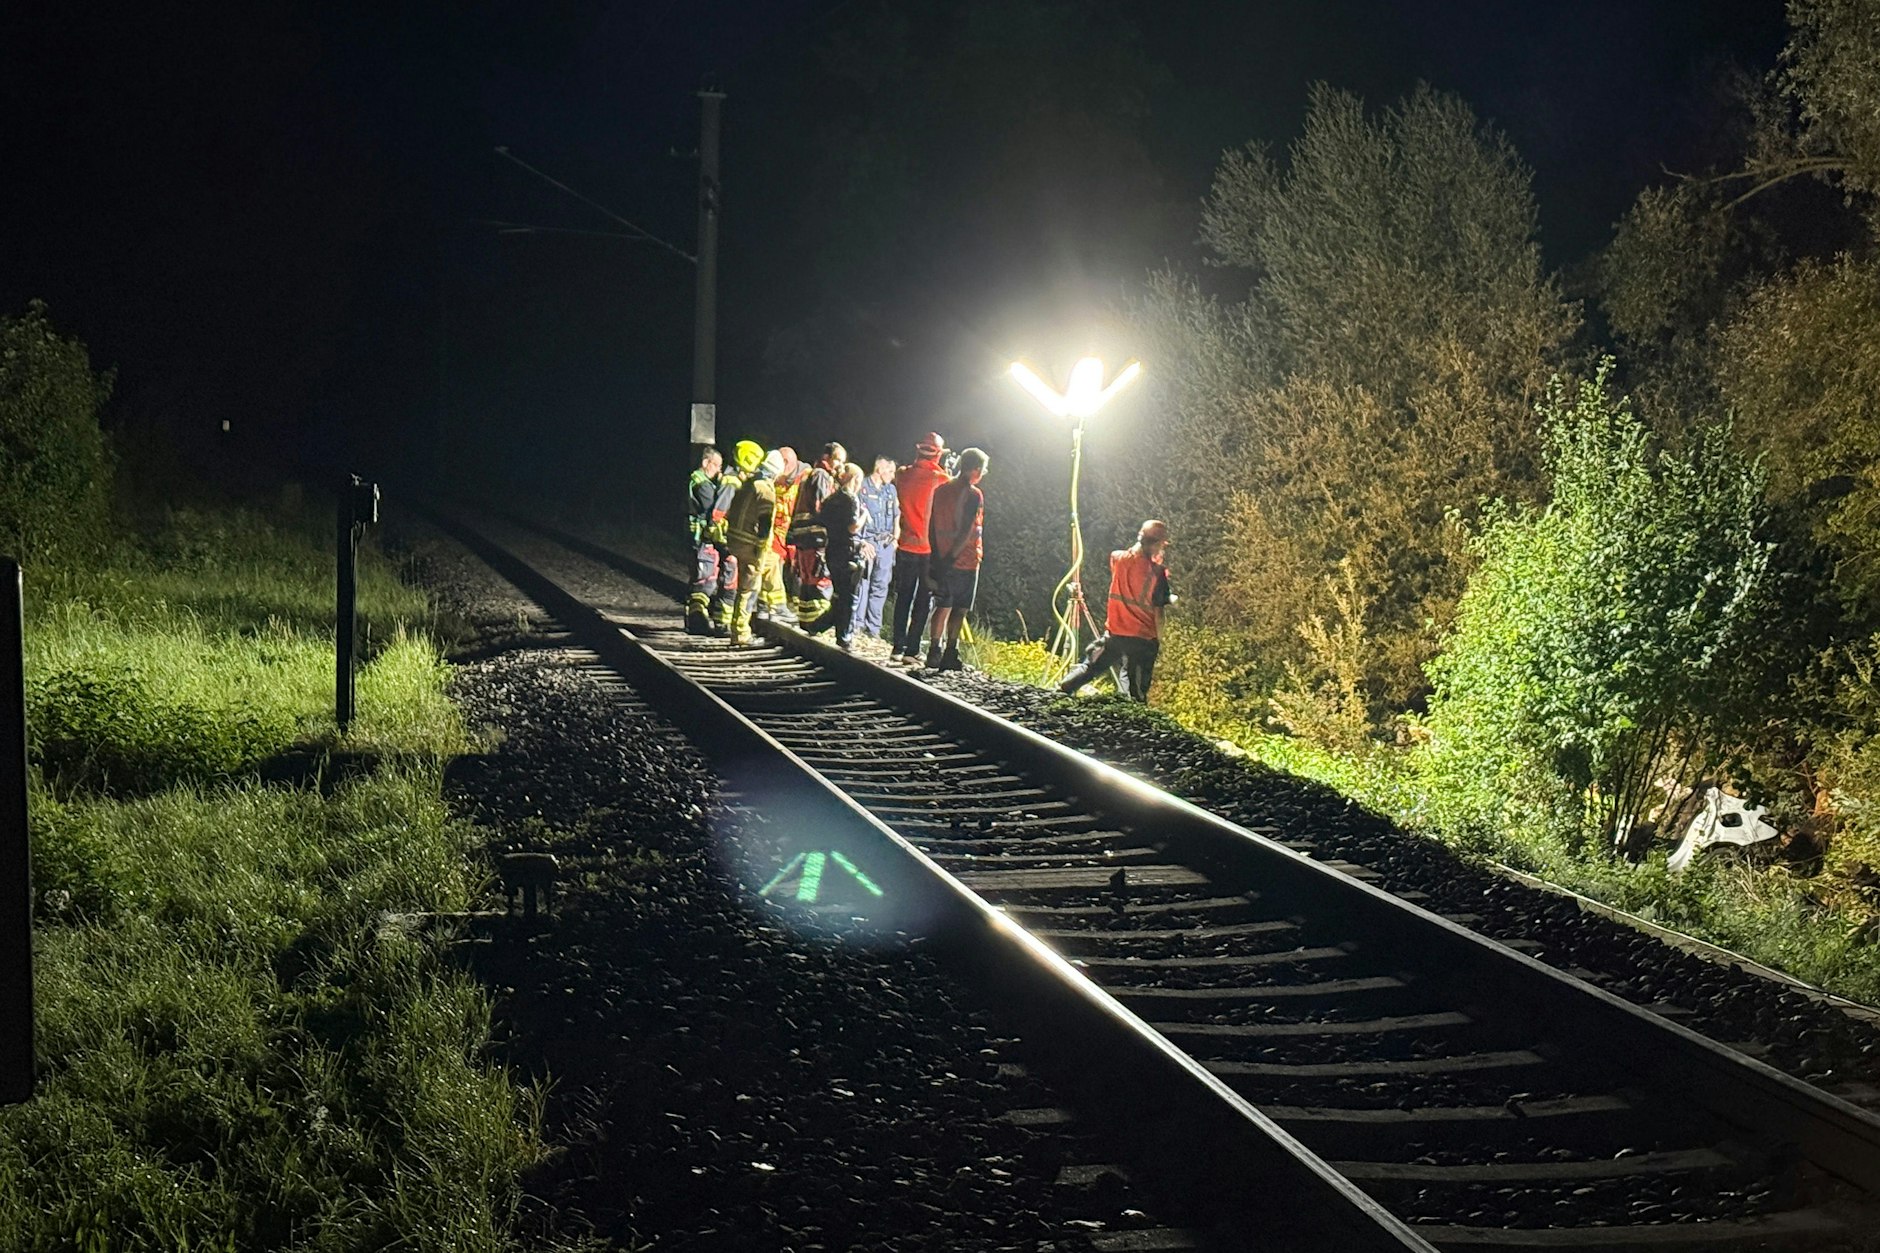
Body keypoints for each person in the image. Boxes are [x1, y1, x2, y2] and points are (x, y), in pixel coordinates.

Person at [1058, 519, 1175, 701]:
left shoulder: (1118, 559)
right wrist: (1160, 639)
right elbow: (1159, 612)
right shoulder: (1157, 573)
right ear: (1157, 544)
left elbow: (1128, 559)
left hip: (1116, 632)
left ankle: (1063, 690)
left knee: (1091, 666)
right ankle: (1134, 714)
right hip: (1143, 637)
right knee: (1136, 687)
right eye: (1161, 545)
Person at [924, 446, 988, 671]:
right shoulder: (973, 494)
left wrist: (936, 556)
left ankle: (934, 651)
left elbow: (931, 524)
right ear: (976, 470)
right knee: (959, 608)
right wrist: (952, 557)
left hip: (941, 555)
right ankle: (950, 651)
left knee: (943, 605)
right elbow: (967, 529)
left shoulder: (941, 490)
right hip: (965, 560)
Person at [890, 432, 948, 664]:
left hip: (905, 545)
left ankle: (897, 646)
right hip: (927, 549)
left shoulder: (902, 474)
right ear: (938, 453)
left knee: (903, 597)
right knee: (922, 601)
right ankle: (912, 650)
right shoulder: (939, 478)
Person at [804, 462, 869, 649]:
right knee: (849, 598)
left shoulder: (831, 499)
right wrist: (865, 515)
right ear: (855, 479)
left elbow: (822, 520)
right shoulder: (851, 500)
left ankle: (817, 626)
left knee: (840, 595)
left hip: (833, 550)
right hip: (848, 553)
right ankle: (845, 638)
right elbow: (853, 527)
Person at [686, 444, 744, 635]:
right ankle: (697, 622)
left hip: (703, 537)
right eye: (716, 465)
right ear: (706, 463)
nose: (719, 470)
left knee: (702, 579)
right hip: (702, 537)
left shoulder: (704, 481)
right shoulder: (701, 481)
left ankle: (696, 620)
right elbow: (712, 507)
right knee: (705, 580)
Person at [724, 449, 780, 646]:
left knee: (768, 567)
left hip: (735, 539)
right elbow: (765, 523)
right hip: (749, 544)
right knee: (749, 588)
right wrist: (761, 546)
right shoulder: (765, 489)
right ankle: (740, 634)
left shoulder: (748, 483)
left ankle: (777, 604)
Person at [791, 441, 846, 623]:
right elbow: (821, 507)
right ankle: (817, 623)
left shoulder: (811, 474)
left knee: (808, 580)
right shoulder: (822, 475)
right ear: (826, 458)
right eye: (838, 460)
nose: (840, 466)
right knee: (819, 578)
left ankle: (807, 621)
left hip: (805, 537)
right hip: (815, 537)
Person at [852, 454, 899, 644]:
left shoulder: (891, 490)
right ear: (880, 469)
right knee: (862, 583)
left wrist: (896, 538)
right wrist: (860, 541)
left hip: (886, 543)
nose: (893, 475)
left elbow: (896, 514)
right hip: (868, 541)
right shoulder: (862, 487)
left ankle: (873, 630)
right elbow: (855, 515)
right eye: (891, 471)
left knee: (880, 586)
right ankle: (857, 625)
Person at [760, 447, 802, 625]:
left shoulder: (803, 478)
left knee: (789, 571)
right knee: (769, 567)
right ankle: (768, 605)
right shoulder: (771, 479)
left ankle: (783, 606)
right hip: (772, 533)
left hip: (790, 534)